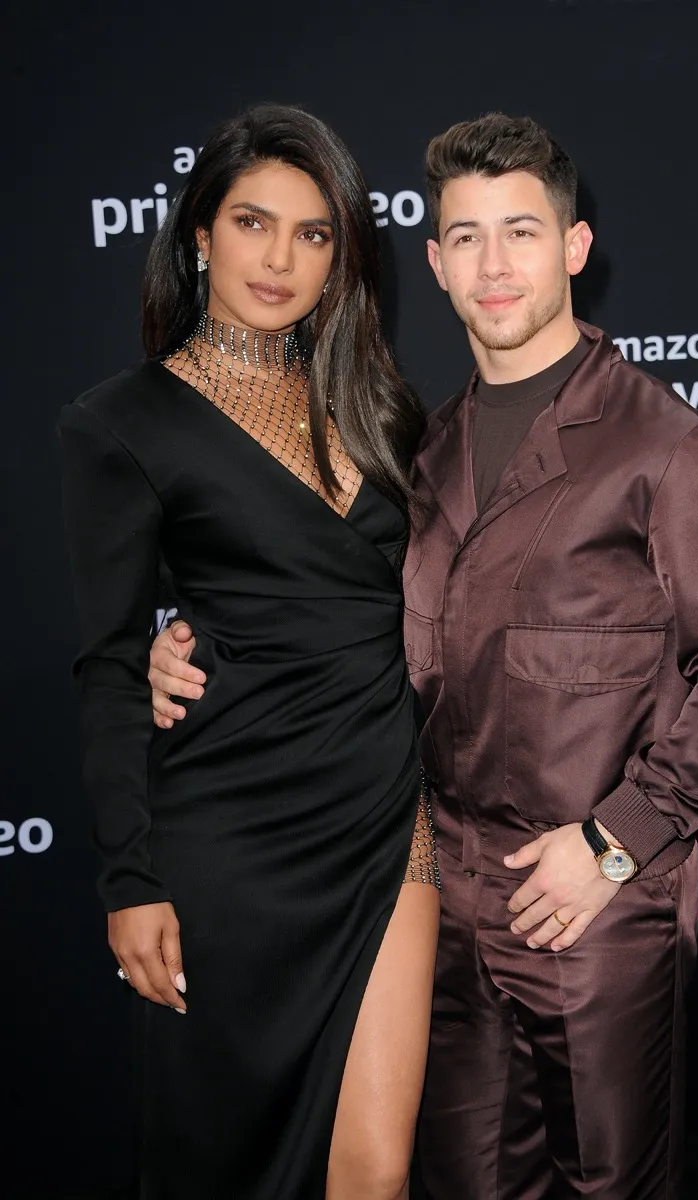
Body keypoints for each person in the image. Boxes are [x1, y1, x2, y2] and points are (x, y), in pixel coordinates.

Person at [149, 114, 698, 1199]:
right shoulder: (419, 445)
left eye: (521, 233)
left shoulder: (666, 449)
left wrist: (613, 843)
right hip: (439, 898)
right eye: (467, 237)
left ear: (574, 248)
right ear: (437, 261)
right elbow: (336, 616)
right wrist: (188, 648)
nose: (494, 266)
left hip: (597, 905)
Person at [59, 103, 439, 1200]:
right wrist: (130, 878)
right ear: (199, 234)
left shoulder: (378, 405)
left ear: (340, 255)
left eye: (312, 233)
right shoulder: (120, 422)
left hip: (386, 813)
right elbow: (106, 664)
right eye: (251, 223)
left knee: (376, 1170)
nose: (279, 259)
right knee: (223, 1165)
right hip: (229, 833)